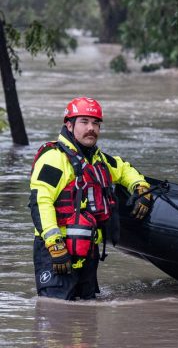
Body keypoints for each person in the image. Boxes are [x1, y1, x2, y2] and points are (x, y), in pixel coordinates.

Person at [29, 97, 154, 300]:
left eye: (96, 123)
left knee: (86, 319)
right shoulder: (53, 158)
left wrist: (141, 188)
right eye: (84, 122)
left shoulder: (98, 159)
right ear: (69, 125)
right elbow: (40, 202)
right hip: (56, 250)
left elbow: (124, 169)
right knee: (55, 314)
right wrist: (54, 245)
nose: (91, 128)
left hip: (87, 250)